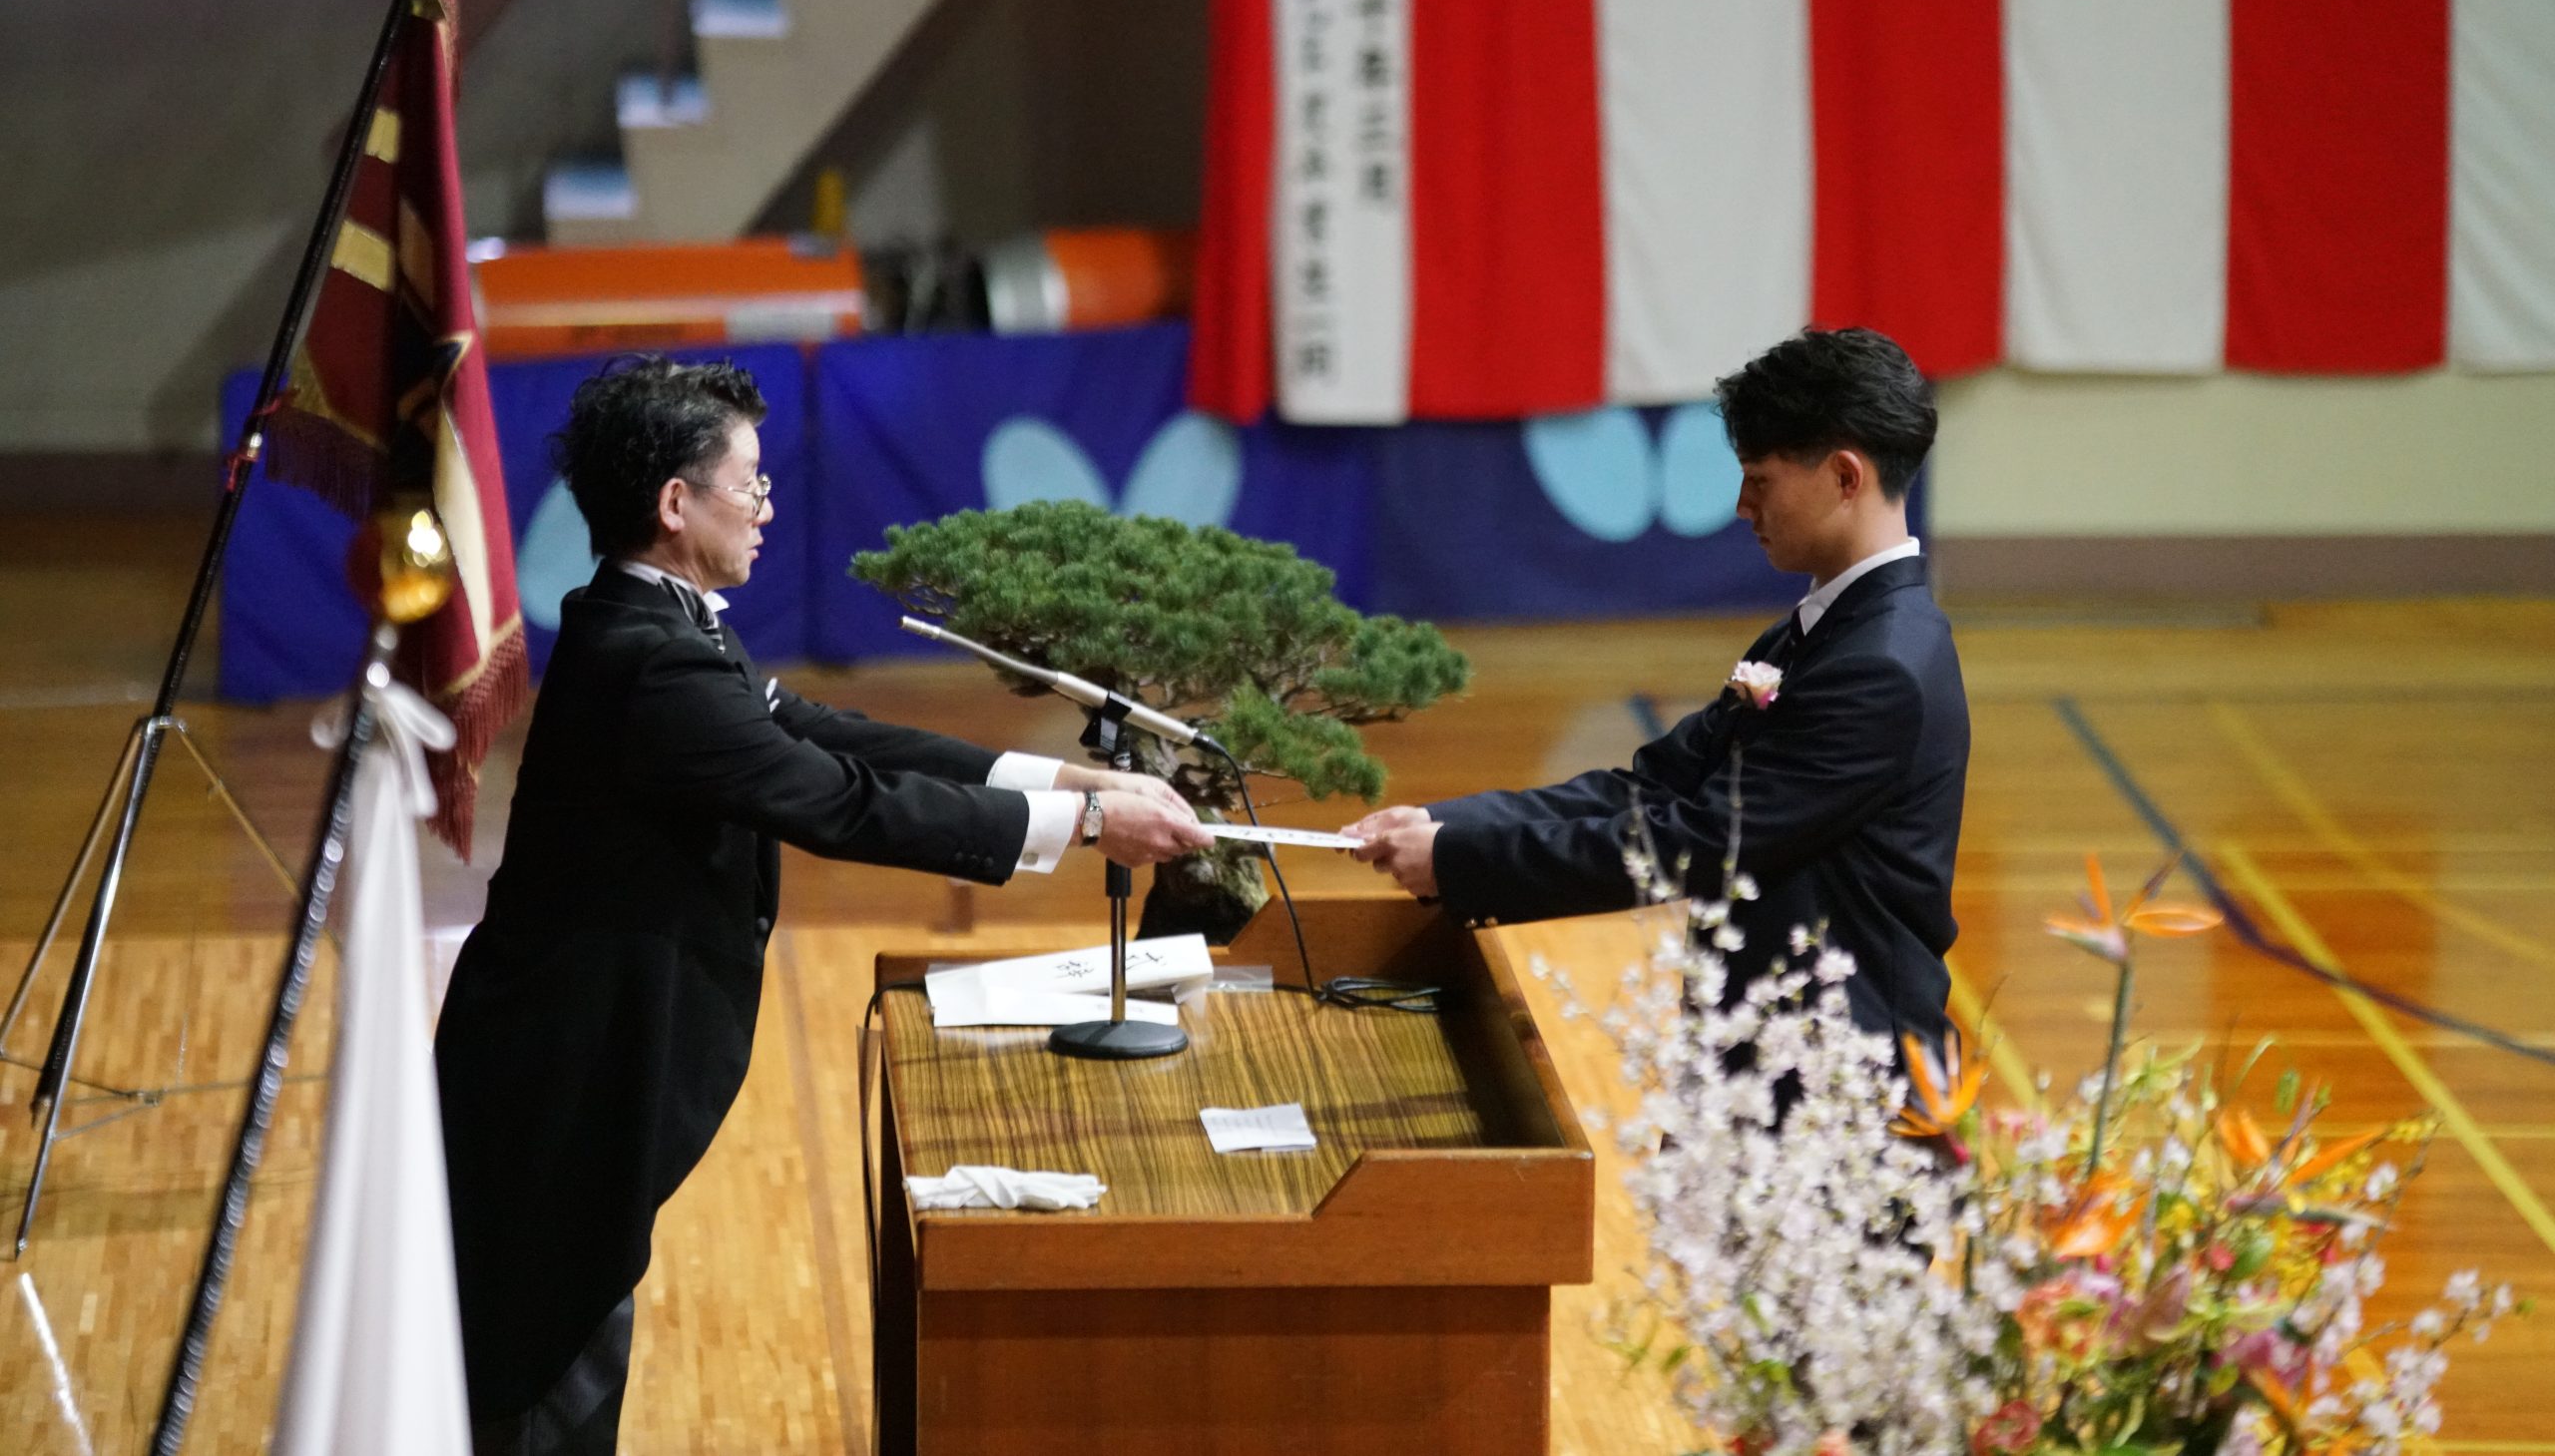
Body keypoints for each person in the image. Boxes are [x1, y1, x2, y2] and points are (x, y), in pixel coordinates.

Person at [434, 357, 1208, 1455]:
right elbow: (837, 801)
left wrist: (1060, 780)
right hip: (560, 1075)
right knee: (539, 1371)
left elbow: (824, 732)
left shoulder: (661, 621)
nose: (766, 507)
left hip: (587, 1053)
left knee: (569, 1343)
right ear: (675, 503)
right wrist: (1084, 828)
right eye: (748, 484)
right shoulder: (646, 662)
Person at [1347, 327, 1968, 1043]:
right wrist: (1447, 824)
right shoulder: (1812, 633)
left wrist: (1456, 861)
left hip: (1842, 1069)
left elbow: (1700, 842)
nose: (1742, 505)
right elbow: (1654, 787)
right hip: (1761, 1044)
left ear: (1845, 477)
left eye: (1760, 479)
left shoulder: (1879, 667)